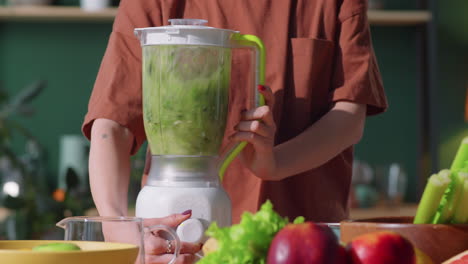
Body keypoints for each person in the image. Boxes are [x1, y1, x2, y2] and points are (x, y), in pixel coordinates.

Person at [82, 0, 387, 263]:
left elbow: (349, 115)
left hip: (307, 241)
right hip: (178, 245)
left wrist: (276, 162)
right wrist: (119, 227)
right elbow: (112, 122)